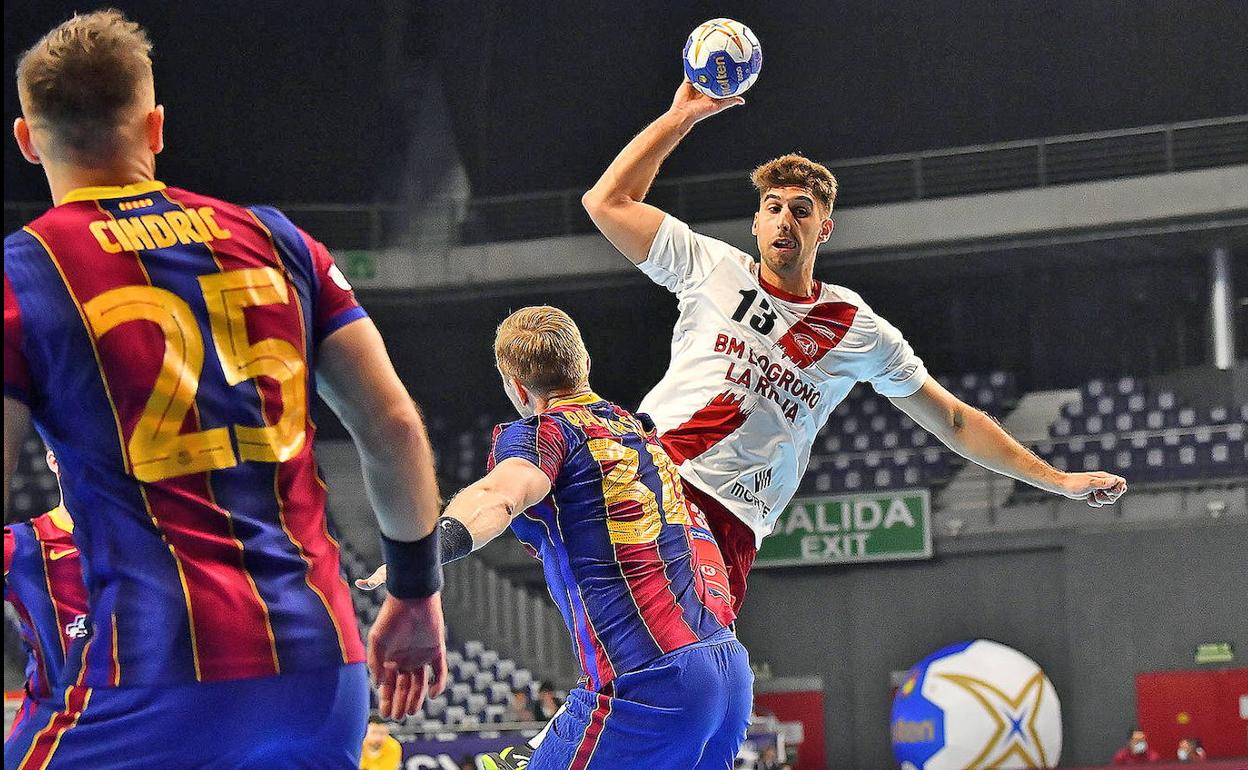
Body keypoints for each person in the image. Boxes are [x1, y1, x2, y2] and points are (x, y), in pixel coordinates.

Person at [3, 10, 445, 768]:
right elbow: (393, 425)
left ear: (26, 139)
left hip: (156, 674)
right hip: (322, 669)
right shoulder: (277, 239)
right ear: (156, 127)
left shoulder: (23, 274)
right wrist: (414, 591)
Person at [580, 79, 1129, 613]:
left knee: (674, 667)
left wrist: (1059, 480)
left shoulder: (855, 327)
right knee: (687, 659)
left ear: (824, 228)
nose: (785, 220)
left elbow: (955, 421)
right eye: (772, 207)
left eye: (801, 210)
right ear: (755, 223)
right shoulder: (712, 267)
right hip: (663, 475)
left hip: (737, 522)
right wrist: (680, 118)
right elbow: (607, 202)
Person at [363, 306, 751, 769]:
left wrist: (421, 555)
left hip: (647, 682)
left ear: (516, 387)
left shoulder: (548, 433)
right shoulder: (639, 432)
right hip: (729, 671)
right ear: (584, 363)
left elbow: (498, 495)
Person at [3, 451, 87, 739]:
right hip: (53, 723)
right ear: (52, 460)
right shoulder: (23, 544)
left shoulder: (148, 541)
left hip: (133, 719)